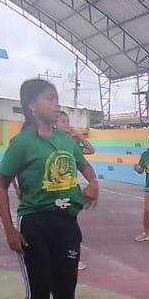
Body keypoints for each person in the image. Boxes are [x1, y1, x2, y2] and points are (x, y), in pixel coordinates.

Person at [0, 79, 99, 299]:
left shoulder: (66, 141)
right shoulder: (22, 144)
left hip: (66, 225)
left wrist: (93, 183)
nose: (56, 104)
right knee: (39, 295)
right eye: (49, 99)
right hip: (35, 225)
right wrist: (9, 229)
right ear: (31, 105)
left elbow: (86, 168)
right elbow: (0, 186)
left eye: (56, 99)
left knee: (66, 295)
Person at [54, 111, 94, 270]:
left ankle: (71, 258)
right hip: (54, 190)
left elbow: (90, 150)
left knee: (71, 230)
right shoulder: (51, 142)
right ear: (54, 123)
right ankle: (60, 258)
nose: (67, 124)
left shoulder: (71, 144)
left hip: (69, 191)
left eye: (67, 121)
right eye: (63, 121)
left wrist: (79, 135)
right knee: (58, 228)